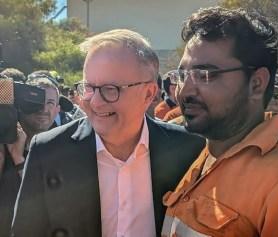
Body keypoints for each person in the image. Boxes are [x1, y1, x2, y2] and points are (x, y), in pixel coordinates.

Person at [11, 29, 205, 237]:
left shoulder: (189, 150)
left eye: (110, 89)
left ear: (148, 93)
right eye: (88, 87)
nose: (94, 101)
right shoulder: (49, 151)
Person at [161, 7, 278, 237]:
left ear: (257, 83)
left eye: (205, 75)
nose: (185, 91)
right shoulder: (204, 154)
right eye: (182, 75)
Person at [0, 75, 60, 237]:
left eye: (50, 103)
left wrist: (19, 159)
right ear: (21, 104)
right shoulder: (3, 145)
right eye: (36, 101)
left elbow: (50, 204)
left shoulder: (63, 149)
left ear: (57, 110)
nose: (43, 109)